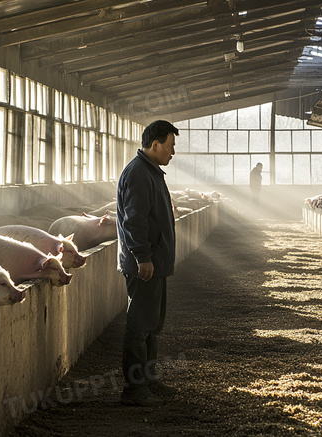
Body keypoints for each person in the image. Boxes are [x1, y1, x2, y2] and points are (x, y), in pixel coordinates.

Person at [116, 120, 178, 407]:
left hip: (153, 262)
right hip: (144, 264)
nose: (172, 152)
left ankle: (148, 380)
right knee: (139, 325)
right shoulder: (139, 174)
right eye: (170, 145)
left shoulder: (151, 172)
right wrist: (143, 257)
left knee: (151, 325)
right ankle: (134, 389)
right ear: (155, 145)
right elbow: (135, 220)